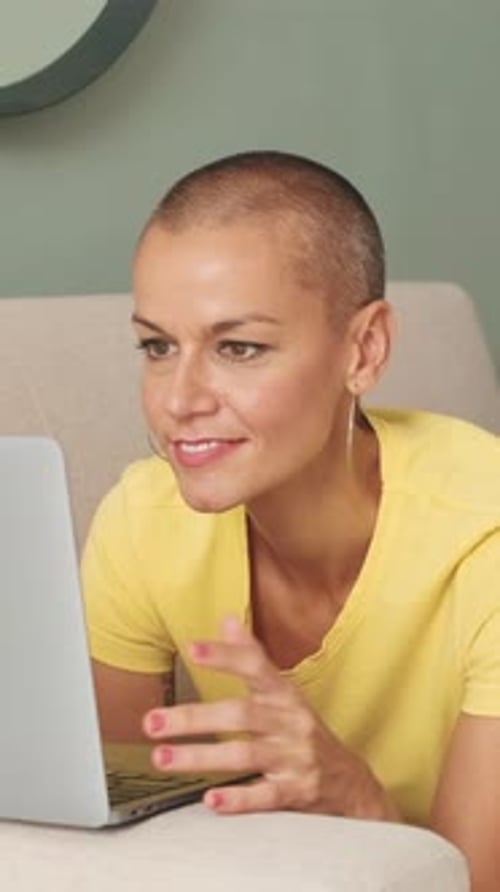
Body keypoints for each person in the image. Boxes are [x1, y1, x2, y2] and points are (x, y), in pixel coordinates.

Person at [82, 150, 500, 890]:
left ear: (364, 350)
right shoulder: (143, 522)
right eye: (157, 346)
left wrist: (354, 798)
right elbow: (120, 846)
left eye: (239, 347)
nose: (179, 401)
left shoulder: (483, 540)